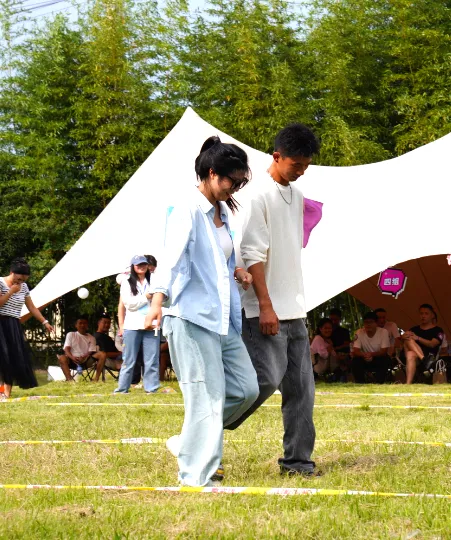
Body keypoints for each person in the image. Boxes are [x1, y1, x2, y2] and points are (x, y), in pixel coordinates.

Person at [146, 136, 259, 487]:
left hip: (222, 318)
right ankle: (197, 478)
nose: (235, 188)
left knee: (246, 389)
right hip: (191, 317)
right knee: (206, 399)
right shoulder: (187, 209)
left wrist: (236, 269)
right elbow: (170, 258)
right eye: (232, 181)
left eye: (240, 182)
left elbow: (218, 256)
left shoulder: (223, 212)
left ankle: (187, 442)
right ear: (212, 173)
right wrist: (157, 300)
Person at [226, 123, 321, 477]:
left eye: (306, 166)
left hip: (294, 309)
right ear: (277, 156)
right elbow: (251, 253)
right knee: (263, 382)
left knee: (302, 391)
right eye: (296, 165)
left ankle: (297, 462)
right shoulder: (256, 195)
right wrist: (265, 306)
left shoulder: (296, 194)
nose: (301, 171)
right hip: (263, 309)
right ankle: (200, 432)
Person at [0, 258, 54, 398]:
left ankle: (6, 394)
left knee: (12, 358)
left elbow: (31, 307)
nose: (20, 282)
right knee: (2, 357)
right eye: (18, 279)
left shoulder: (23, 287)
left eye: (23, 280)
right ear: (11, 272)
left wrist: (45, 322)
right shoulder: (0, 282)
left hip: (13, 325)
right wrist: (10, 292)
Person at [115, 255, 160, 394]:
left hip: (152, 325)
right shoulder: (127, 282)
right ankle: (122, 389)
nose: (142, 267)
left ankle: (151, 389)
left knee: (152, 359)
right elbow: (129, 304)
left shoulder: (155, 280)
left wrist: (151, 299)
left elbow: (162, 300)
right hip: (132, 325)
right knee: (129, 359)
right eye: (138, 264)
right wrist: (146, 297)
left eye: (144, 264)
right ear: (133, 267)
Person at [401, 304, 444, 384]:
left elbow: (432, 344)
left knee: (410, 353)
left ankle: (408, 383)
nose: (423, 316)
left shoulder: (438, 330)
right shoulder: (414, 329)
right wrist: (403, 337)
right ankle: (425, 360)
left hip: (429, 356)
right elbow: (402, 343)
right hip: (419, 359)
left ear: (432, 315)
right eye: (421, 313)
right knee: (408, 340)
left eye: (426, 313)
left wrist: (418, 338)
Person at [58, 316, 106, 382]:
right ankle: (69, 380)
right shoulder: (71, 334)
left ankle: (96, 379)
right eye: (80, 323)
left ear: (87, 325)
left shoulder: (91, 338)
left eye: (84, 323)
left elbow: (91, 351)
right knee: (62, 358)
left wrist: (84, 357)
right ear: (76, 325)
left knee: (103, 354)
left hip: (86, 361)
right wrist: (72, 357)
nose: (82, 325)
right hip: (72, 360)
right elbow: (66, 349)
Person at [352, 312, 390, 383]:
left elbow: (384, 351)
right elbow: (356, 350)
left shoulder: (383, 332)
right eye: (366, 322)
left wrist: (371, 354)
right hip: (364, 357)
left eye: (371, 322)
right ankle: (360, 383)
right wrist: (365, 355)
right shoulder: (359, 332)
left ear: (376, 323)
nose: (368, 324)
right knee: (355, 361)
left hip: (378, 357)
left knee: (385, 359)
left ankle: (379, 383)